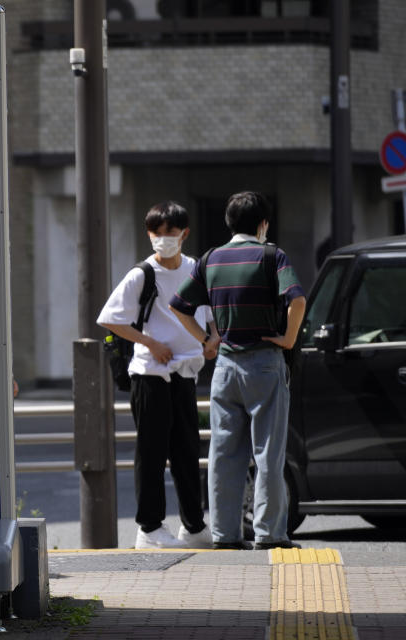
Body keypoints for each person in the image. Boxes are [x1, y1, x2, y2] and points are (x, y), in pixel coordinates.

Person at [170, 191, 306, 550]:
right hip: (264, 362)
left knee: (223, 454)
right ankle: (269, 534)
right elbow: (297, 298)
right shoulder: (272, 255)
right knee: (268, 452)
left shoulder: (211, 259)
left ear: (229, 223)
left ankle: (225, 534)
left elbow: (179, 306)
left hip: (225, 367)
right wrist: (288, 339)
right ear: (263, 224)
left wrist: (207, 340)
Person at [97, 201, 218, 549]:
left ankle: (194, 526)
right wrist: (149, 342)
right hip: (150, 374)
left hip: (185, 372)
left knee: (186, 449)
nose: (163, 239)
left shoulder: (195, 269)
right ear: (149, 235)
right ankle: (149, 529)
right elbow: (109, 318)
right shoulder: (142, 274)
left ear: (185, 234)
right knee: (151, 452)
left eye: (170, 233)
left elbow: (208, 312)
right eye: (156, 233)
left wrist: (211, 339)